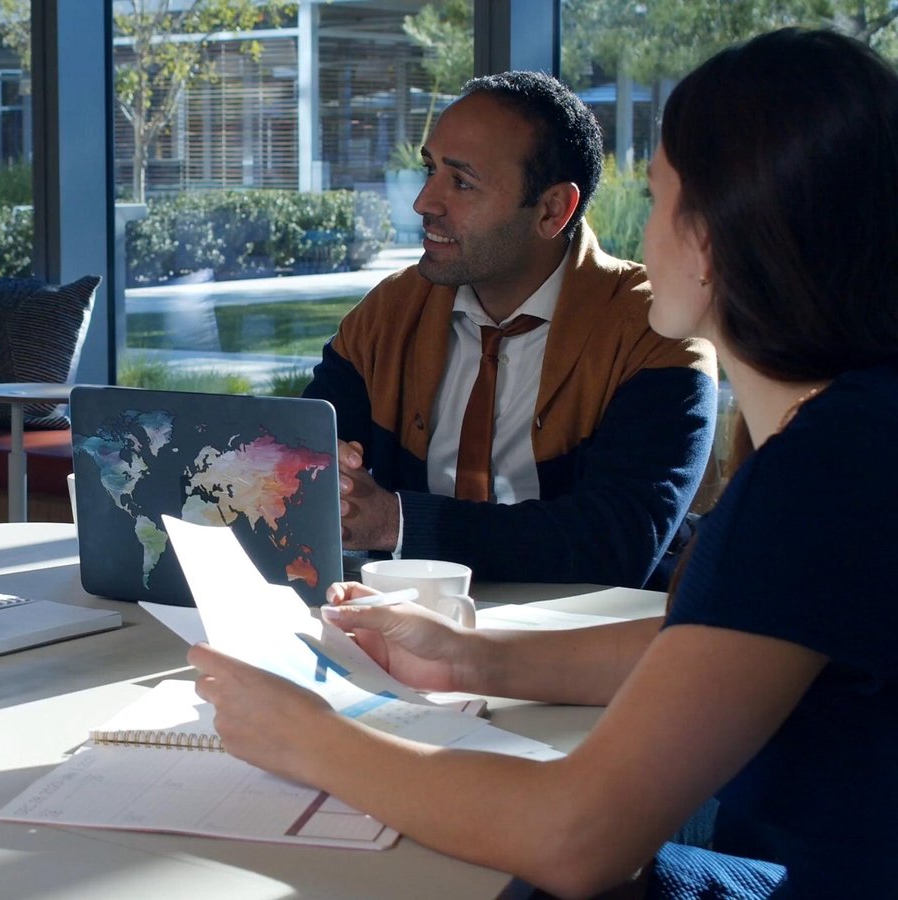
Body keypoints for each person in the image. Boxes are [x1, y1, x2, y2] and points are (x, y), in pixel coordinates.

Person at [192, 28, 898, 898]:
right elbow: (715, 648)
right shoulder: (856, 437)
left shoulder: (819, 478)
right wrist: (466, 656)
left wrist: (306, 736)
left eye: (658, 196)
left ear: (717, 238)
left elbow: (575, 836)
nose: (639, 231)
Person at [305, 71, 716, 588]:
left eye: (461, 182)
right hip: (401, 619)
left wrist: (398, 522)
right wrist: (324, 476)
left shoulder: (656, 332)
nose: (424, 202)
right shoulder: (389, 313)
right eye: (430, 169)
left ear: (552, 210)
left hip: (595, 630)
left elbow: (619, 541)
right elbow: (298, 458)